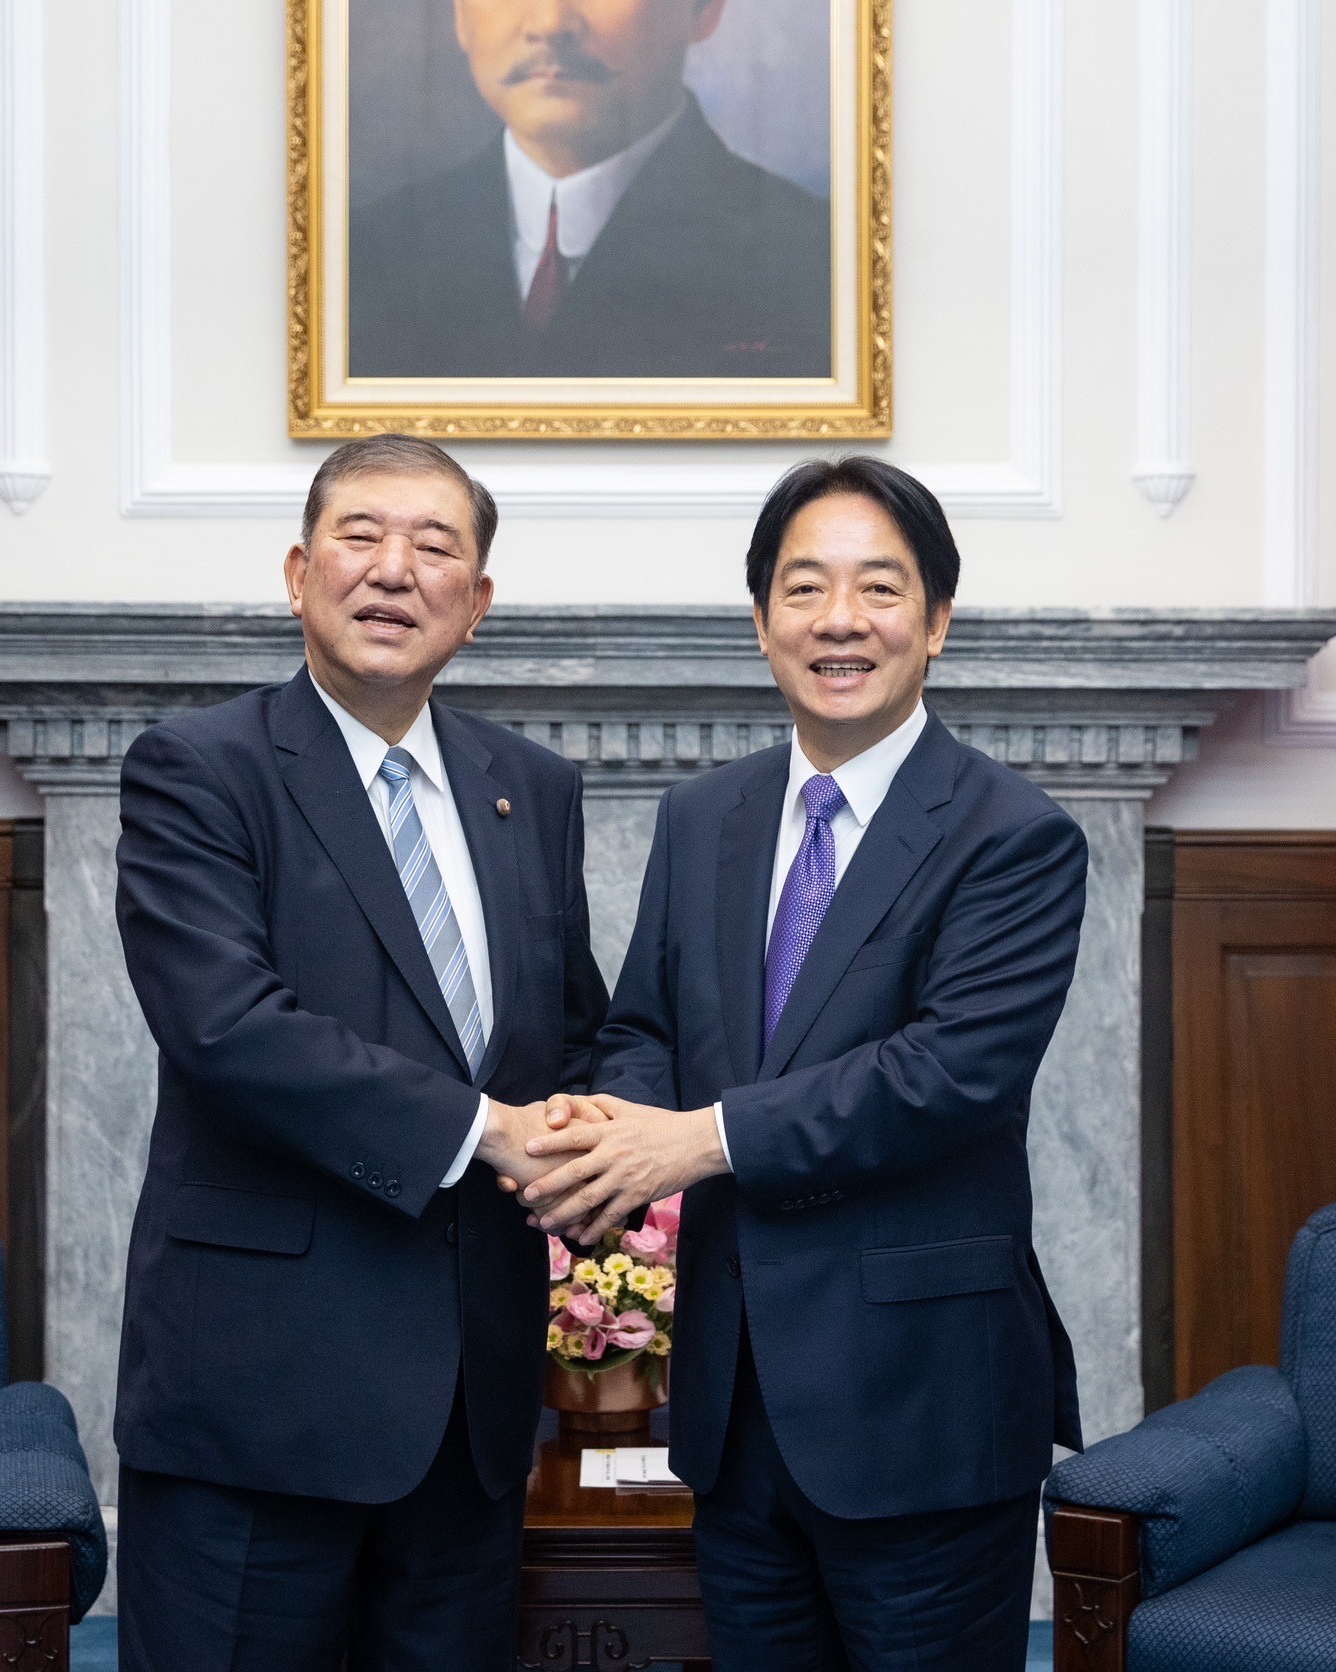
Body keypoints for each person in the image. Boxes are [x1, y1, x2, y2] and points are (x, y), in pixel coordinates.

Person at [512, 457, 1089, 1670]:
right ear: (763, 619)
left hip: (921, 1406)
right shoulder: (702, 816)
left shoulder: (1015, 835)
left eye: (880, 589)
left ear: (935, 621)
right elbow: (648, 1027)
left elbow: (946, 1075)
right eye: (804, 587)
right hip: (735, 1401)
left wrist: (692, 1140)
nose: (840, 620)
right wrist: (601, 1133)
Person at [112, 434, 610, 1671]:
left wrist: (632, 1139)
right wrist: (489, 1130)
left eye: (436, 547)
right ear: (297, 572)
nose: (394, 570)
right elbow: (230, 1027)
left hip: (467, 1414)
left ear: (477, 604)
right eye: (360, 536)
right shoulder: (201, 771)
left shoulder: (531, 787)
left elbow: (574, 1028)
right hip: (258, 1403)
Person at [349, 0, 831, 379]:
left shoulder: (814, 260)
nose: (551, 22)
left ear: (704, 9)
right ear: (459, 15)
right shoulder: (363, 253)